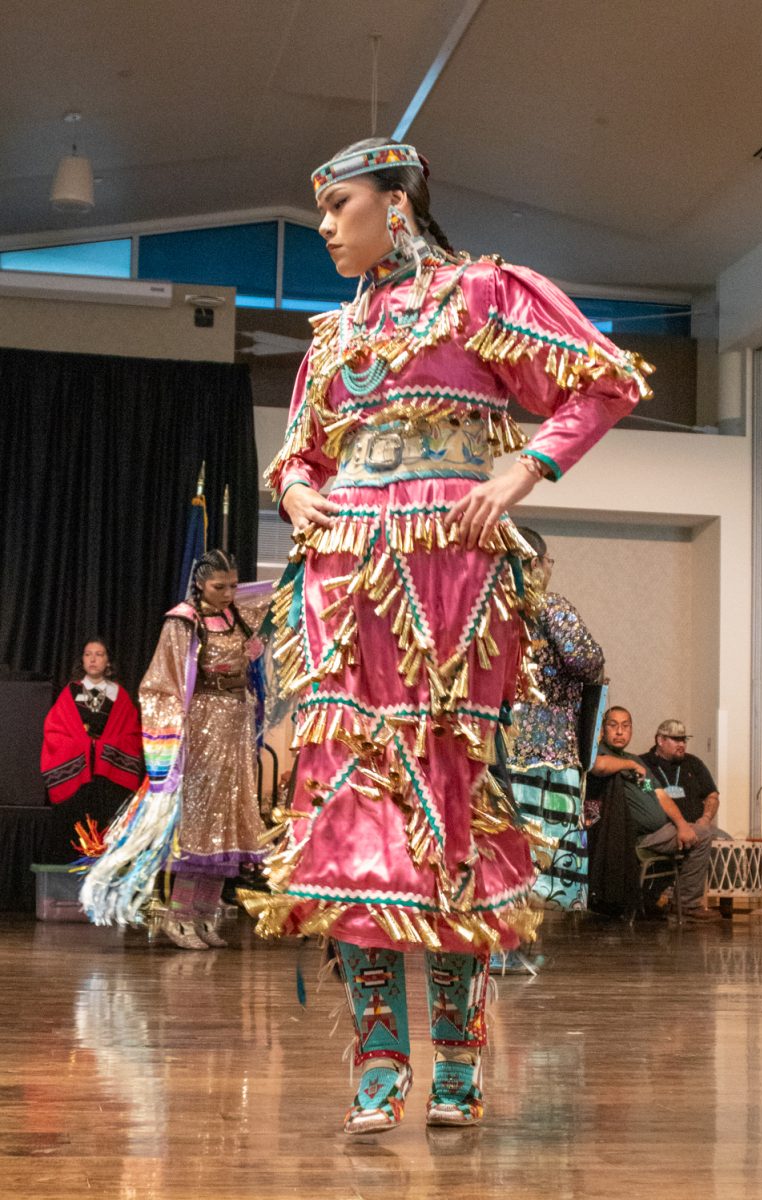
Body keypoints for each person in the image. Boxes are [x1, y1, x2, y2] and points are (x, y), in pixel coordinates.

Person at [250, 136, 651, 1132]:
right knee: (351, 810)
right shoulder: (333, 335)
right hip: (345, 580)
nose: (327, 227)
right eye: (322, 211)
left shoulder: (480, 294)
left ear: (398, 203)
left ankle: (462, 1066)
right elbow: (292, 455)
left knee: (451, 800)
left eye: (340, 204)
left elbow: (603, 381)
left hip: (450, 574)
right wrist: (301, 497)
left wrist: (522, 472)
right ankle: (378, 1063)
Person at [81, 551, 272, 950]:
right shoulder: (184, 621)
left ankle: (205, 914)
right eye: (220, 586)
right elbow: (161, 683)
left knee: (229, 817)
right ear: (200, 583)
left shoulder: (239, 616)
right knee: (201, 821)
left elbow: (278, 599)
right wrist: (172, 736)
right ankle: (179, 915)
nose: (228, 593)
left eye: (234, 586)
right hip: (201, 730)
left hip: (234, 728)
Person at [506, 529, 604, 920]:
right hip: (548, 752)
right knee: (541, 854)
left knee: (501, 846)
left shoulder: (487, 608)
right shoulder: (550, 606)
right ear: (533, 564)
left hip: (496, 746)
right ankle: (518, 940)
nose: (549, 569)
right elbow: (588, 661)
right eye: (547, 562)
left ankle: (496, 941)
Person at [591, 707, 715, 919]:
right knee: (703, 836)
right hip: (634, 837)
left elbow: (659, 795)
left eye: (625, 726)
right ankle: (687, 905)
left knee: (700, 832)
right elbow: (597, 766)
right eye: (613, 726)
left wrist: (682, 825)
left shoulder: (637, 762)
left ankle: (671, 902)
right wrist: (628, 764)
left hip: (661, 830)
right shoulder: (600, 752)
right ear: (603, 730)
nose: (620, 732)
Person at [41, 638, 142, 863]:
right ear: (82, 660)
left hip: (108, 779)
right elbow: (54, 731)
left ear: (108, 661)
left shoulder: (119, 694)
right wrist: (83, 745)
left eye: (99, 654)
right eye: (88, 654)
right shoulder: (71, 691)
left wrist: (104, 746)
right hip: (78, 776)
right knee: (74, 821)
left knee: (108, 821)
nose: (93, 659)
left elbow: (131, 734)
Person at [639, 719, 720, 829]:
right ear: (660, 740)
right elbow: (646, 795)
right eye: (676, 740)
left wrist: (706, 818)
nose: (682, 744)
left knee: (726, 840)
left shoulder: (694, 762)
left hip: (697, 828)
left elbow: (712, 795)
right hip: (661, 830)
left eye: (684, 740)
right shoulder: (643, 764)